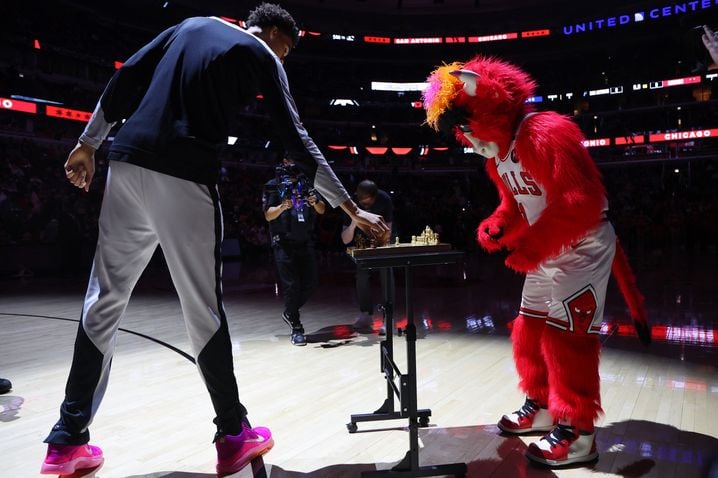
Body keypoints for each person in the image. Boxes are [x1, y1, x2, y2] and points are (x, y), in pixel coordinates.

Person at [41, 3, 388, 476]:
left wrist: (88, 142)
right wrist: (352, 208)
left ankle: (66, 441)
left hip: (125, 163)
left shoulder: (189, 25)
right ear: (268, 32)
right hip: (184, 174)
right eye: (284, 49)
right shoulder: (261, 53)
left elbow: (126, 79)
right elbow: (297, 140)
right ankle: (231, 434)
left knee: (102, 301)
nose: (281, 59)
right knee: (202, 309)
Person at [423, 56, 649, 467]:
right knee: (529, 328)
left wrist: (532, 246)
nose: (468, 139)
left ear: (490, 107)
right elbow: (516, 205)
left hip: (582, 244)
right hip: (547, 247)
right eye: (461, 131)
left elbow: (582, 202)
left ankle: (579, 433)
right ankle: (542, 406)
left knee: (568, 339)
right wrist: (497, 225)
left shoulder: (546, 130)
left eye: (468, 126)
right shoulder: (497, 158)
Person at [263, 158, 326, 346]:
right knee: (292, 285)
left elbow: (322, 209)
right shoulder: (273, 186)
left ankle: (290, 312)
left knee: (311, 283)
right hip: (283, 242)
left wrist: (315, 202)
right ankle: (297, 327)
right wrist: (283, 206)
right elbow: (268, 214)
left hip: (305, 240)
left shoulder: (306, 184)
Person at [341, 180, 394, 335]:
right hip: (362, 245)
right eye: (362, 200)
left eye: (368, 201)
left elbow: (389, 229)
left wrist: (380, 242)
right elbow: (345, 239)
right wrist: (353, 223)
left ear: (374, 197)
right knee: (361, 276)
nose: (365, 204)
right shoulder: (350, 203)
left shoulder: (384, 199)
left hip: (383, 240)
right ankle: (365, 314)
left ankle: (388, 317)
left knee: (386, 275)